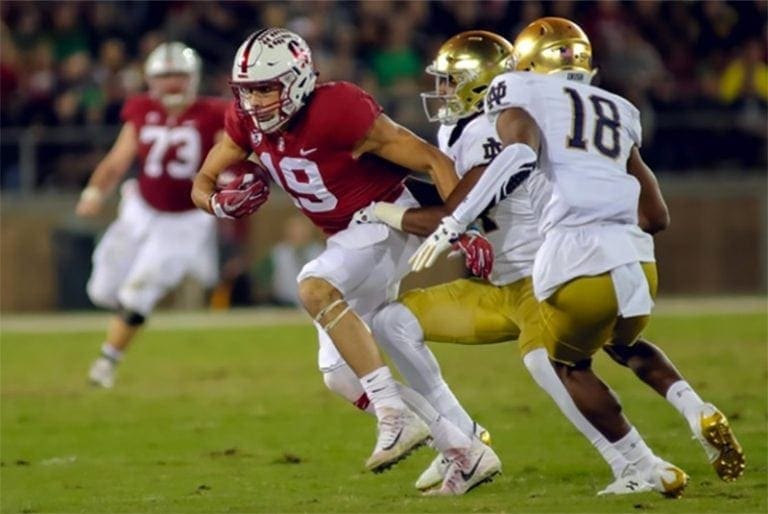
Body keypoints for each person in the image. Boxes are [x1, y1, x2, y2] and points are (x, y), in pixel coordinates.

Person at [408, 17, 744, 496]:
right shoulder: (620, 107)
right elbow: (656, 216)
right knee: (624, 344)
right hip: (638, 265)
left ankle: (638, 468)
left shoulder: (516, 92)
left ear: (523, 65)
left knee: (564, 366)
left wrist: (454, 221)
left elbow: (519, 154)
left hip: (574, 257)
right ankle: (696, 408)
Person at [190, 28, 497, 475]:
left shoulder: (339, 109)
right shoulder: (246, 121)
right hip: (346, 239)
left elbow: (434, 160)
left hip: (384, 218)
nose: (254, 103)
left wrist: (459, 226)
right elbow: (201, 183)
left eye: (264, 90)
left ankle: (393, 414)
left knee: (313, 286)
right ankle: (465, 447)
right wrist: (218, 203)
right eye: (246, 92)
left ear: (295, 81)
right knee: (339, 374)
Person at [79, 42, 229, 388]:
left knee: (139, 291)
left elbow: (230, 157)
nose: (173, 83)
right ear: (151, 80)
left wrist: (233, 179)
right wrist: (94, 191)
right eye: (165, 76)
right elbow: (118, 159)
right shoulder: (141, 109)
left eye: (179, 75)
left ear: (193, 78)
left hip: (186, 219)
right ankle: (132, 312)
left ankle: (106, 362)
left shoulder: (213, 113)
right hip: (140, 209)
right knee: (101, 290)